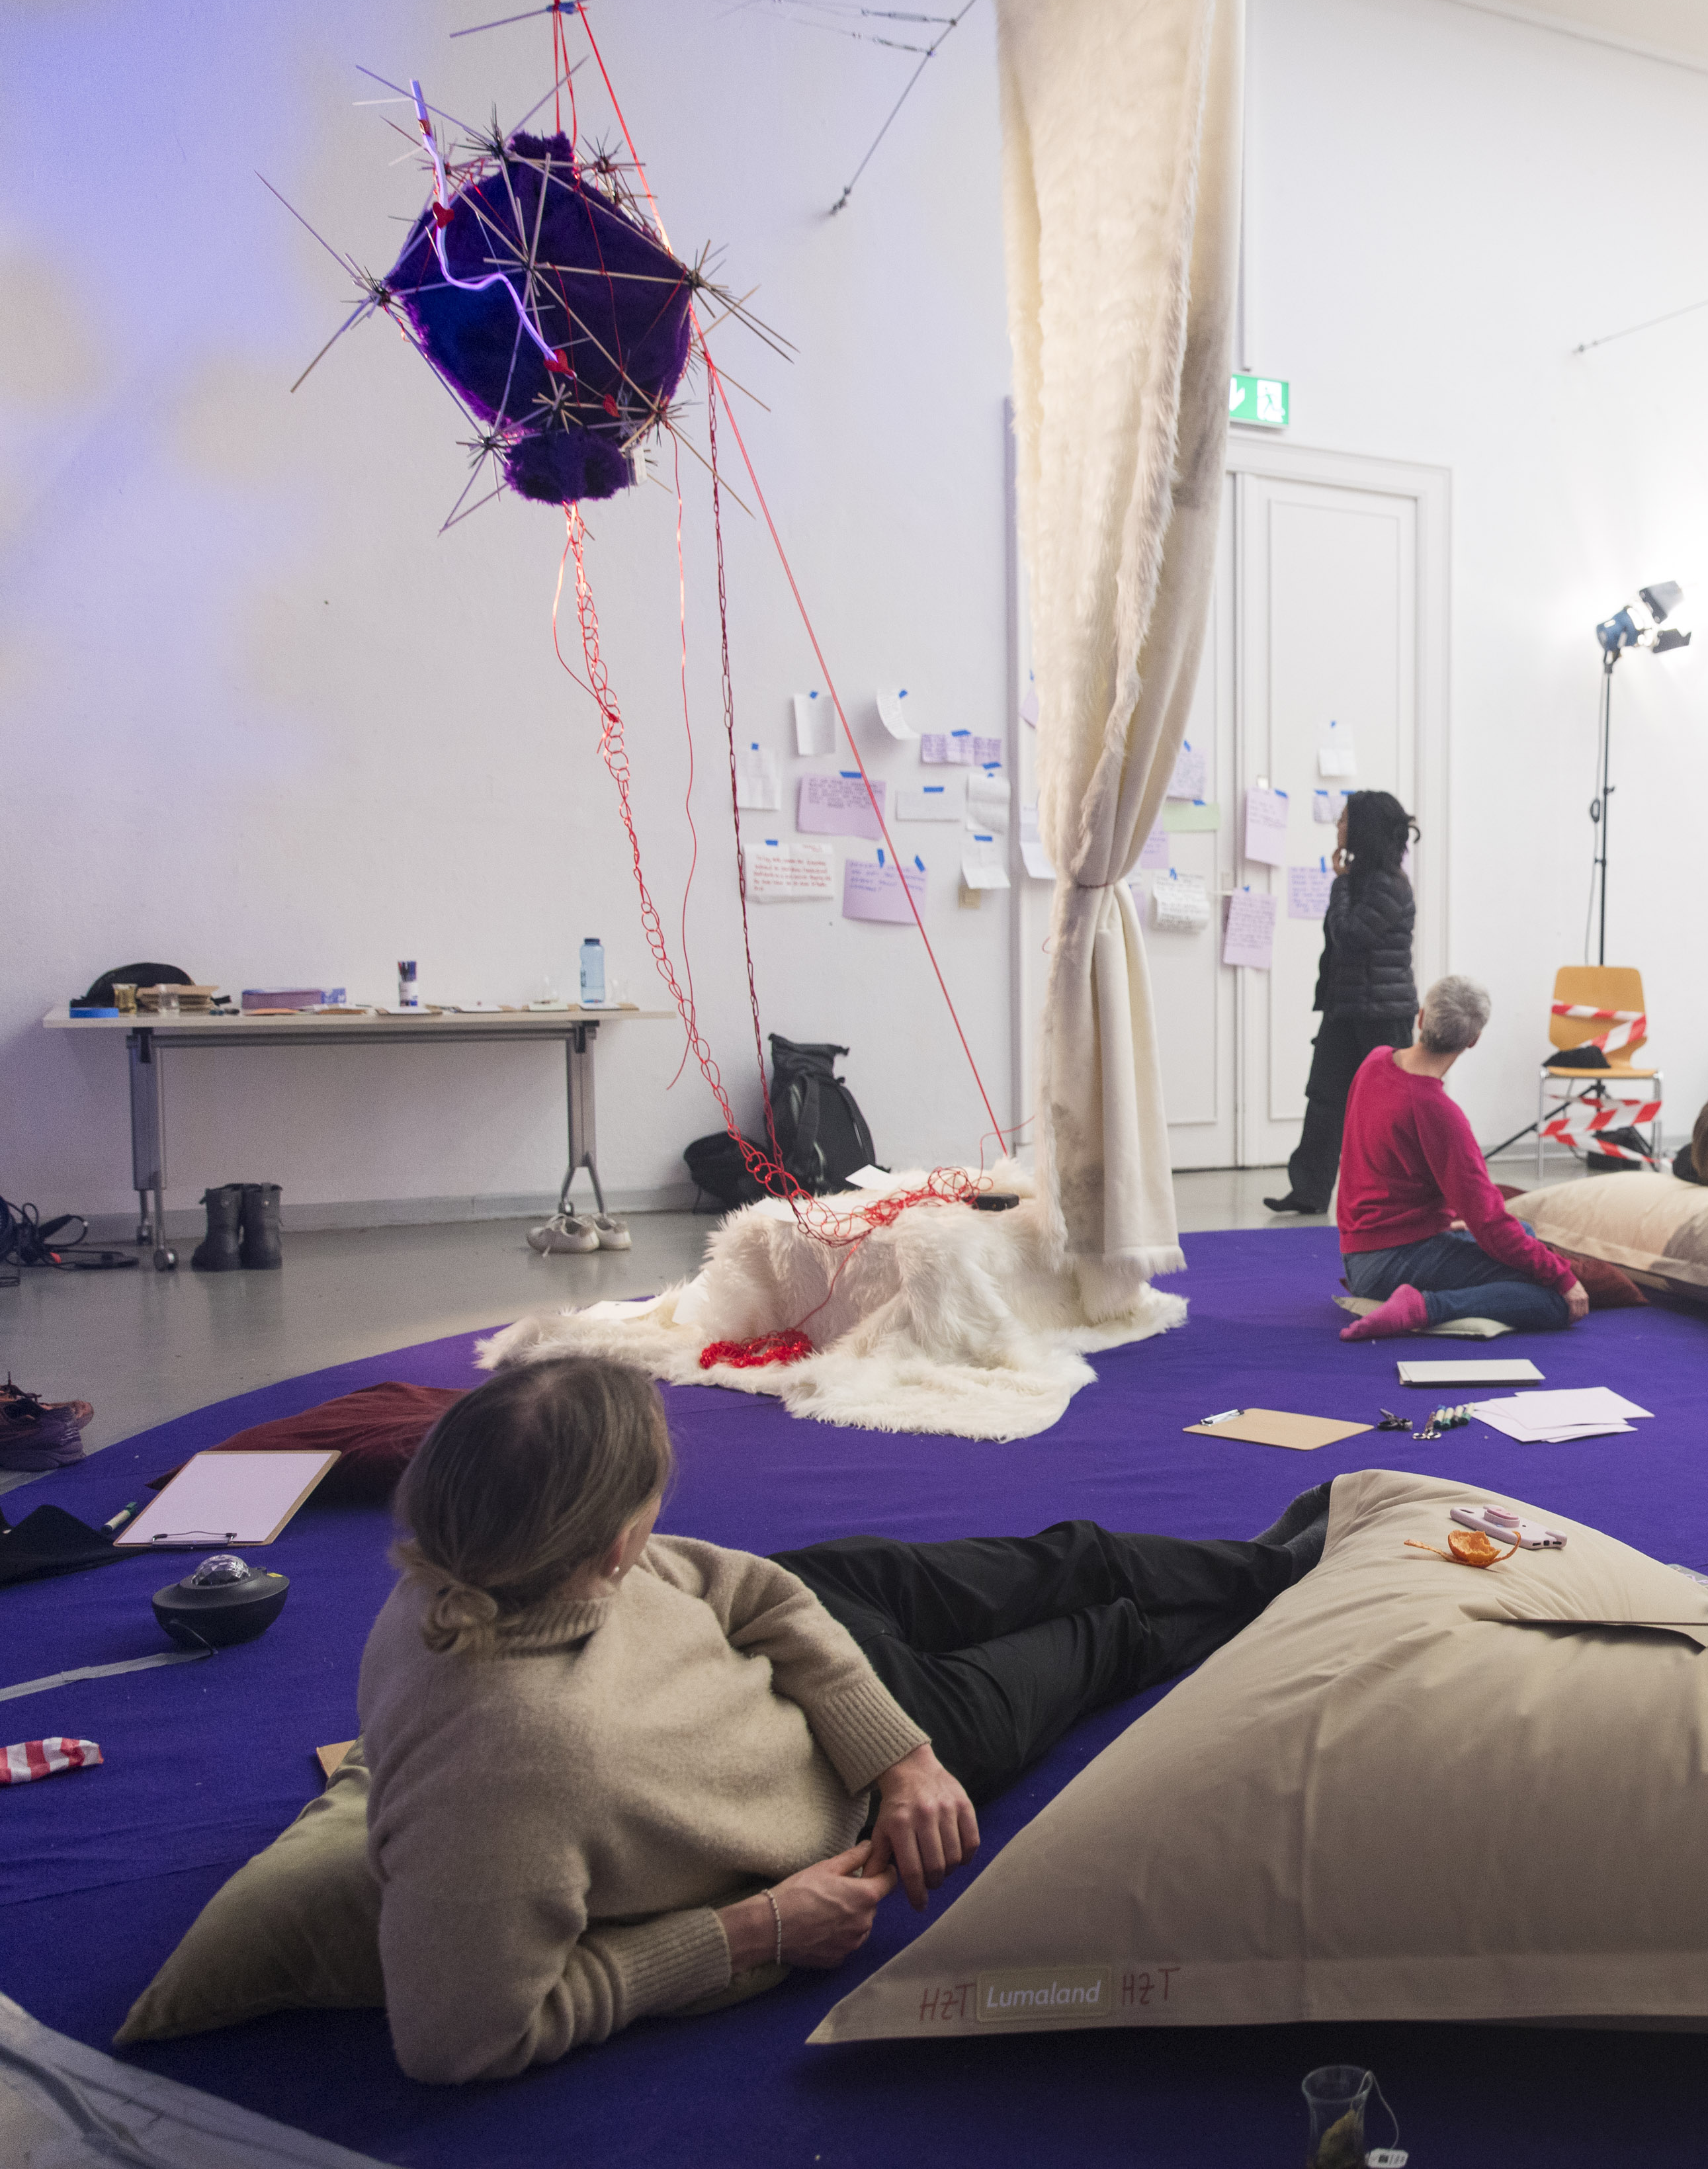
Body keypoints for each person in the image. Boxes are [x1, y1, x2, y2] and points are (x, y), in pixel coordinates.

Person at [357, 1358, 1324, 2084]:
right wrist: (754, 1929)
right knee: (1109, 1635)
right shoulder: (515, 1767)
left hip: (840, 1658)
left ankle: (1279, 1568)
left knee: (1076, 1554)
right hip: (840, 1778)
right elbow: (459, 2040)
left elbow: (745, 1584)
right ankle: (1288, 1592)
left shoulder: (484, 1561)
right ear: (613, 1545)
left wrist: (899, 1756)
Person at [1335, 974, 1588, 1339]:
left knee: (1527, 1236)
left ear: (1421, 1018)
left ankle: (1423, 1297)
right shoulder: (1438, 1112)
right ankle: (1423, 1308)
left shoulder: (1375, 1062)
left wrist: (1439, 1221)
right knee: (1552, 1300)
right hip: (1390, 1263)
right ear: (1474, 1040)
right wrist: (1564, 1279)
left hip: (1359, 1251)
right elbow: (1488, 1222)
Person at [1269, 791, 1419, 1214]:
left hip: (1383, 1015)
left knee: (1388, 1108)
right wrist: (1344, 882)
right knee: (1325, 1098)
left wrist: (1338, 882)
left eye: (1344, 819)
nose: (1338, 825)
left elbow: (1350, 936)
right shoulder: (1362, 881)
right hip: (1346, 1008)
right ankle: (1309, 1192)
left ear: (1363, 830)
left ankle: (1399, 1194)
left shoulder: (1389, 886)